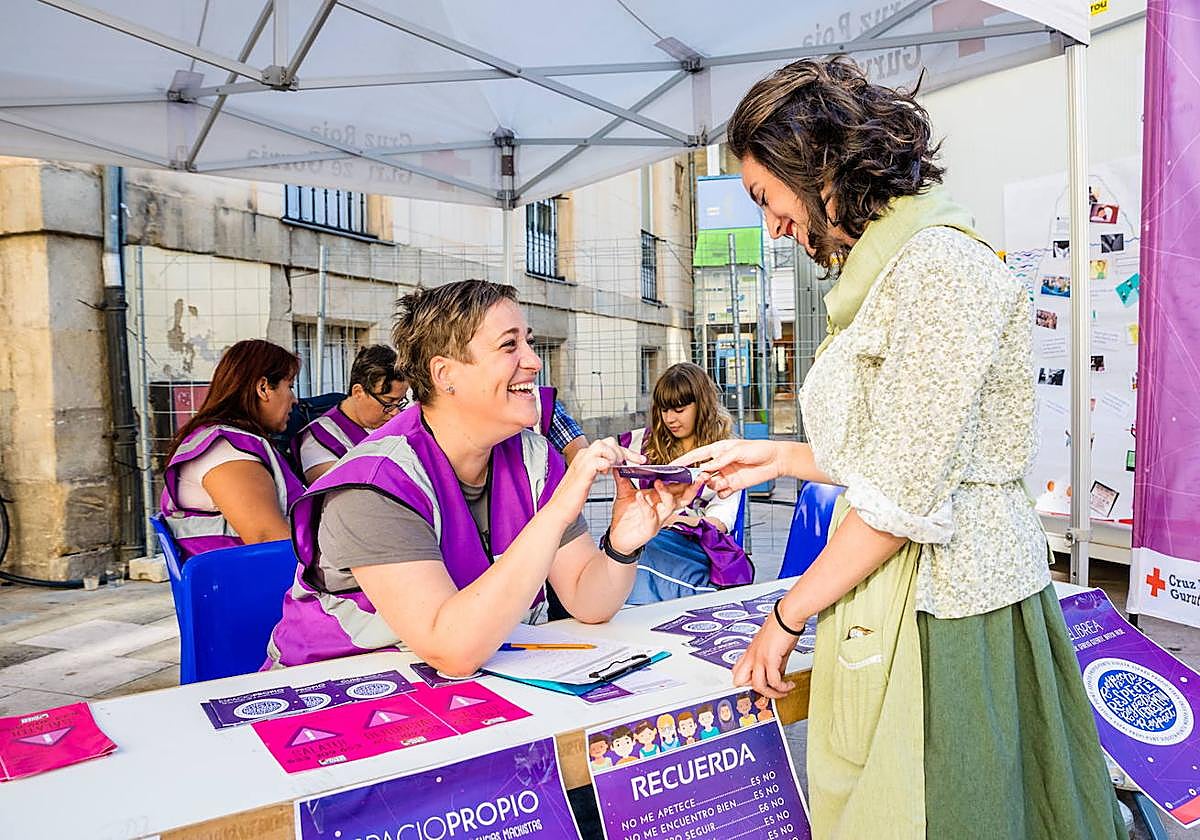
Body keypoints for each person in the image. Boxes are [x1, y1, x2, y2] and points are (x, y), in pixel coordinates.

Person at [675, 57, 1125, 839]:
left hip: (953, 608)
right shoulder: (893, 271)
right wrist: (780, 458)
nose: (771, 224)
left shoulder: (940, 269)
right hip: (918, 597)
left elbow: (901, 497)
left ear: (811, 165)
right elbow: (905, 453)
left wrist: (787, 615)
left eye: (765, 197)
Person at [264, 279, 698, 674]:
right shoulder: (374, 484)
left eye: (527, 342)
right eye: (509, 346)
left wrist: (623, 543)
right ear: (445, 374)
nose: (533, 361)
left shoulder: (534, 458)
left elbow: (589, 601)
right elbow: (452, 648)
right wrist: (558, 510)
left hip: (464, 687)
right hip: (334, 696)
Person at [618, 363, 752, 604]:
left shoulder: (727, 452)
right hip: (646, 537)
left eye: (679, 409)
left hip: (699, 546)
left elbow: (719, 523)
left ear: (702, 405)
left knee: (639, 558)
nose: (670, 419)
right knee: (621, 554)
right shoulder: (644, 443)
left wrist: (670, 520)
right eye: (664, 410)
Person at [160, 339, 304, 560]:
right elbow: (268, 538)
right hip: (249, 586)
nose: (294, 400)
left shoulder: (225, 442)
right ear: (263, 388)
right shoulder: (227, 451)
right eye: (290, 387)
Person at [292, 344, 408, 484]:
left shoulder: (395, 425)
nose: (396, 412)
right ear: (358, 392)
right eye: (388, 403)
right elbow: (335, 494)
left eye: (400, 402)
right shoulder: (319, 440)